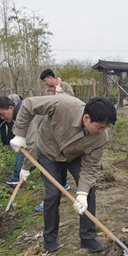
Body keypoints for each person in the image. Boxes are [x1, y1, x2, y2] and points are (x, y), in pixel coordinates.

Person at [10, 95, 117, 253]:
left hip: (74, 156)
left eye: (105, 127)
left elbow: (91, 166)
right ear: (86, 118)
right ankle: (50, 238)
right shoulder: (63, 105)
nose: (102, 131)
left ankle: (88, 238)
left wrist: (81, 193)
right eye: (100, 127)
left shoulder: (100, 138)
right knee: (53, 194)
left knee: (89, 190)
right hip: (48, 152)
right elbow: (28, 104)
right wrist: (20, 134)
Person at [34, 68, 75, 211]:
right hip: (52, 127)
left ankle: (63, 183)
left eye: (45, 80)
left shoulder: (65, 86)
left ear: (51, 77)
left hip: (65, 125)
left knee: (63, 155)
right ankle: (59, 184)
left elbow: (71, 101)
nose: (45, 83)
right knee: (54, 156)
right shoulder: (47, 92)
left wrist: (60, 92)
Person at [0, 96, 40, 185]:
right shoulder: (19, 111)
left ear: (10, 108)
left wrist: (25, 168)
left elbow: (33, 143)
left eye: (2, 114)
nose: (2, 118)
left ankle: (17, 177)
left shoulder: (24, 114)